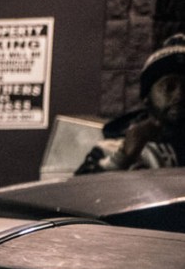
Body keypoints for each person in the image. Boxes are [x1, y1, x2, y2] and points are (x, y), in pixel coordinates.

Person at [77, 33, 185, 174]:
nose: (180, 95)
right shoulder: (110, 148)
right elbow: (80, 191)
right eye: (169, 87)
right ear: (147, 97)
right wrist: (124, 157)